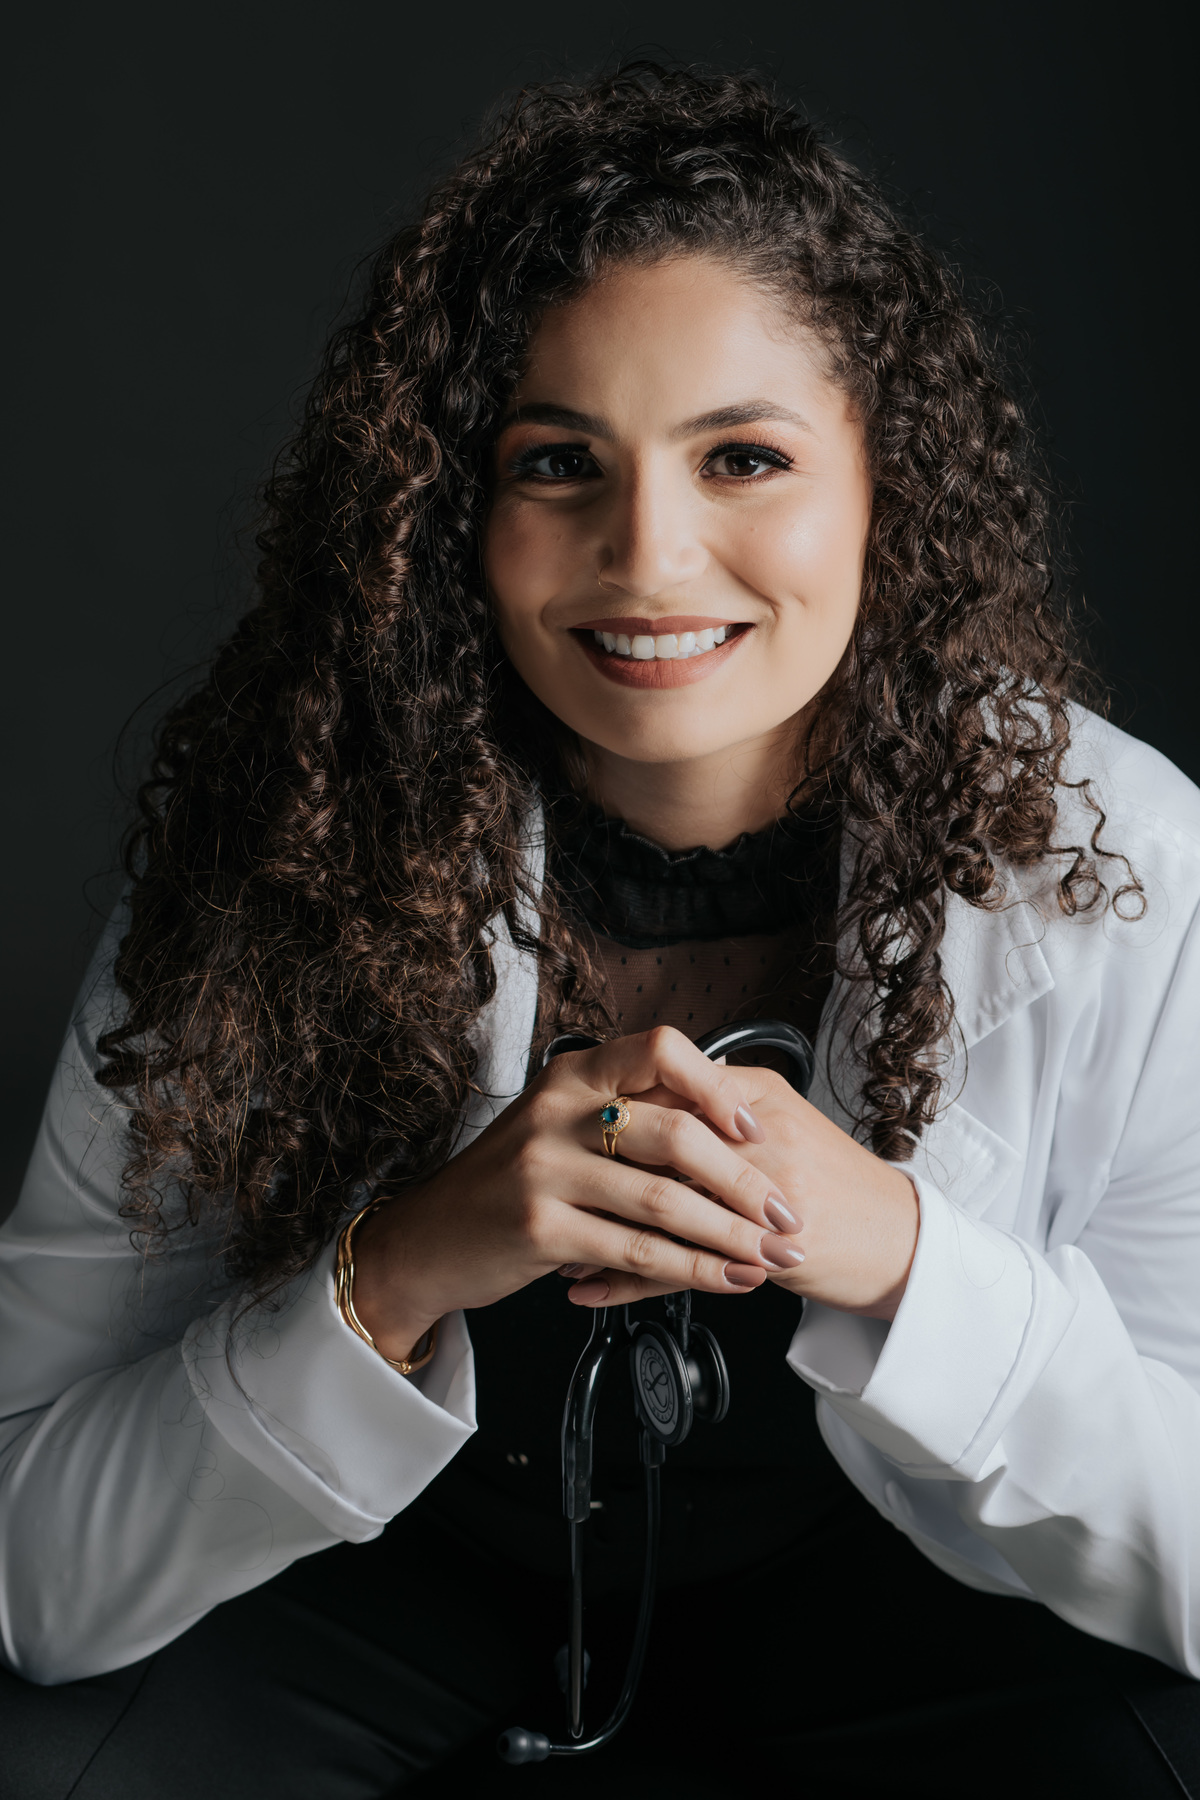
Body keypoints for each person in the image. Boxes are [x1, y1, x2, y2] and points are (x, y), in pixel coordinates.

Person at [1, 65, 1197, 1800]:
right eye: (558, 463)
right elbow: (30, 1562)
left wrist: (903, 1258)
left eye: (744, 459)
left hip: (911, 1603)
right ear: (457, 513)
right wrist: (402, 1267)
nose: (649, 555)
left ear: (888, 482)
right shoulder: (280, 839)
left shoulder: (1124, 861)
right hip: (381, 1587)